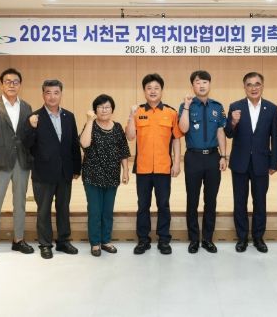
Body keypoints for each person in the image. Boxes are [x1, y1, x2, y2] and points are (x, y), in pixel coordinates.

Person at [22, 79, 82, 259]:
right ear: (43, 95)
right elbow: (26, 144)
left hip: (64, 172)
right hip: (43, 172)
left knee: (63, 208)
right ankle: (45, 243)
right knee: (44, 210)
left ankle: (63, 241)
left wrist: (76, 168)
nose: (52, 96)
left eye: (56, 92)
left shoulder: (69, 116)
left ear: (61, 94)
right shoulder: (34, 117)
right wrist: (32, 128)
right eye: (48, 92)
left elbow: (74, 144)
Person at [126, 73, 183, 255]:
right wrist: (131, 116)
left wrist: (177, 163)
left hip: (163, 167)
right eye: (149, 88)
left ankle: (164, 240)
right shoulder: (138, 112)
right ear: (144, 91)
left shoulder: (171, 112)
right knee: (143, 205)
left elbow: (176, 139)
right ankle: (143, 240)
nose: (152, 91)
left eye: (156, 88)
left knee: (163, 205)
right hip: (142, 168)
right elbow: (130, 136)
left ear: (161, 90)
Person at [0, 68, 34, 259]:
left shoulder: (26, 107)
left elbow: (28, 134)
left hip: (22, 160)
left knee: (20, 203)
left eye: (15, 82)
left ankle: (18, 239)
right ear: (1, 85)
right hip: (0, 161)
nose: (12, 85)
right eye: (8, 82)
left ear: (20, 85)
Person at [225, 72, 277, 253]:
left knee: (260, 202)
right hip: (240, 162)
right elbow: (228, 134)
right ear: (244, 87)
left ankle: (258, 237)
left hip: (261, 162)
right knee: (240, 202)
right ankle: (242, 238)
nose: (253, 88)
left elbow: (275, 138)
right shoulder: (235, 106)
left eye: (257, 84)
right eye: (249, 84)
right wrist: (233, 122)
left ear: (262, 86)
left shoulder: (271, 108)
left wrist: (274, 163)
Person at [178, 70, 227, 254]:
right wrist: (187, 107)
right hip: (193, 157)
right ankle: (193, 239)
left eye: (205, 82)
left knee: (210, 200)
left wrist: (224, 156)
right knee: (192, 200)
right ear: (192, 86)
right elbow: (183, 129)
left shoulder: (217, 106)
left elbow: (221, 132)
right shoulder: (186, 106)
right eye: (198, 82)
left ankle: (207, 239)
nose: (202, 85)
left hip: (213, 157)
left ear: (209, 84)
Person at [79, 94, 131, 257]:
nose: (104, 110)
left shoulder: (117, 127)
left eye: (107, 107)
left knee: (107, 211)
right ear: (95, 110)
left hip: (112, 175)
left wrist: (125, 170)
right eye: (100, 107)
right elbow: (84, 143)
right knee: (95, 211)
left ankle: (106, 240)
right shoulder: (90, 125)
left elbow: (123, 150)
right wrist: (89, 121)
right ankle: (95, 243)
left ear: (112, 110)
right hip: (92, 175)